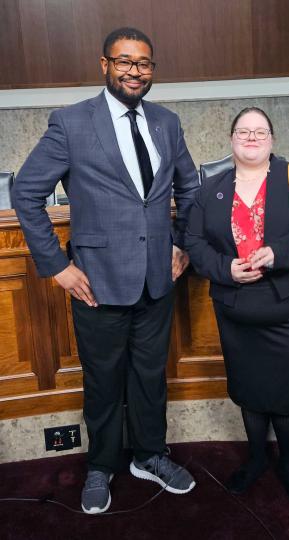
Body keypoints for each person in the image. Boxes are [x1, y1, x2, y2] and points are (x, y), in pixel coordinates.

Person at [12, 27, 199, 514]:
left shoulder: (167, 122)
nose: (135, 71)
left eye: (144, 63)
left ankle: (151, 455)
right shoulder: (72, 123)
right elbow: (26, 193)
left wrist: (181, 245)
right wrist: (57, 267)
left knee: (149, 377)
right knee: (102, 381)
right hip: (95, 282)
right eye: (125, 61)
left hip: (158, 279)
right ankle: (101, 465)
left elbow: (191, 191)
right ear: (104, 65)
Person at [185, 107, 289, 502]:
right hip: (235, 309)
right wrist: (224, 269)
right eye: (243, 131)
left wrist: (277, 253)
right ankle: (254, 458)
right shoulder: (209, 188)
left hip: (287, 308)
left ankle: (287, 463)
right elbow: (194, 242)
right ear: (231, 139)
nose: (251, 137)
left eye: (260, 131)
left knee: (286, 395)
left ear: (272, 139)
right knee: (248, 391)